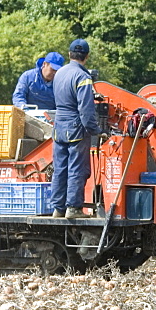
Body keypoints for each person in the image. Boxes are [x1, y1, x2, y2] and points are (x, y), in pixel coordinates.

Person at [50, 39, 100, 219]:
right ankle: (73, 208)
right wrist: (96, 130)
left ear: (69, 54)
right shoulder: (83, 77)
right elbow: (86, 110)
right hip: (76, 127)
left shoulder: (59, 73)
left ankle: (58, 208)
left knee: (60, 168)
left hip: (59, 126)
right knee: (76, 168)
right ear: (86, 56)